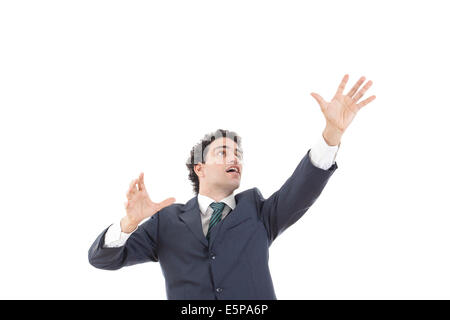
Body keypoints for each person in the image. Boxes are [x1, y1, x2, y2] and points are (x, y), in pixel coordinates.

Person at [88, 74, 376, 299]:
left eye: (238, 155)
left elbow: (302, 187)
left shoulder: (258, 211)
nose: (235, 159)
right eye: (223, 153)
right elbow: (102, 260)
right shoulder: (166, 221)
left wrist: (331, 135)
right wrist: (129, 223)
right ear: (198, 168)